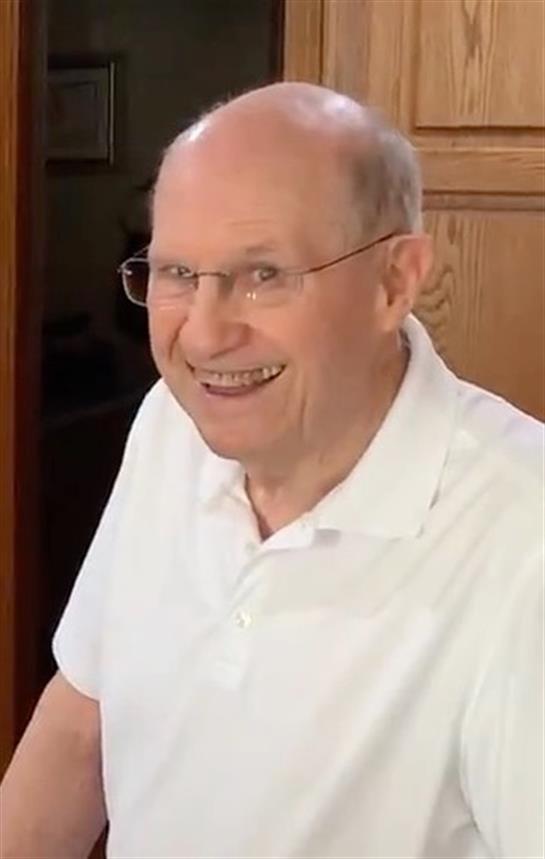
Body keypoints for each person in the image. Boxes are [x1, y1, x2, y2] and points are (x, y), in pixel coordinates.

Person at [1, 82, 543, 859]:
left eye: (263, 275)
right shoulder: (172, 423)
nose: (206, 334)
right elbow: (81, 723)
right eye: (177, 273)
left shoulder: (524, 536)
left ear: (395, 281)